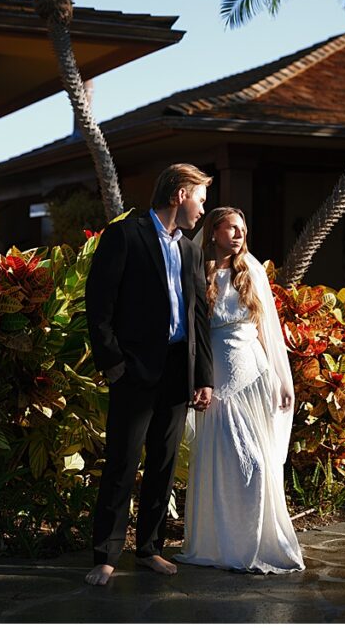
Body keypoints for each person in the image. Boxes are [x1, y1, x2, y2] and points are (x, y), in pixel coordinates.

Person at [84, 163, 215, 586]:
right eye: (200, 198)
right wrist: (113, 364)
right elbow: (99, 304)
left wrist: (203, 377)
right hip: (134, 371)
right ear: (180, 194)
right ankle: (106, 554)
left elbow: (199, 316)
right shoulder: (125, 234)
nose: (202, 209)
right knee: (122, 462)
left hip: (179, 370)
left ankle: (149, 549)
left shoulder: (191, 249)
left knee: (164, 462)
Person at [174, 207, 304, 574]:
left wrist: (280, 378)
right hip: (218, 383)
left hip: (256, 377)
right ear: (213, 231)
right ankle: (222, 545)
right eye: (231, 228)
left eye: (242, 229)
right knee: (230, 464)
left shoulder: (253, 272)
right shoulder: (197, 272)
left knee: (260, 464)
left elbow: (269, 330)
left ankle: (257, 543)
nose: (238, 235)